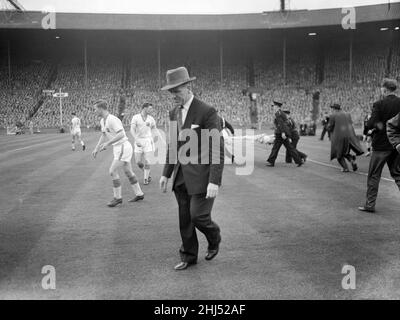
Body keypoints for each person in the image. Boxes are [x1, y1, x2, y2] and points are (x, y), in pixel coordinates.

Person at [159, 67, 224, 271]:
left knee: (198, 216)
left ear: (188, 87)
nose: (173, 96)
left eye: (176, 91)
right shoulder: (173, 113)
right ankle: (188, 255)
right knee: (185, 219)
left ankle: (214, 237)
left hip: (202, 176)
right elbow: (173, 145)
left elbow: (217, 147)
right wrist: (165, 173)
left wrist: (214, 180)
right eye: (171, 92)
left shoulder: (207, 111)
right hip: (180, 177)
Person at [92, 100, 144, 207]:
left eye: (95, 109)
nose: (94, 111)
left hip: (122, 146)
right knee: (128, 172)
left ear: (101, 109)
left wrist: (108, 143)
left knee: (112, 170)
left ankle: (118, 198)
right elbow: (104, 134)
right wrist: (96, 148)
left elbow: (121, 134)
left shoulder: (112, 119)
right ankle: (139, 194)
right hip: (119, 147)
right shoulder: (103, 120)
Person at [359, 78, 400, 213]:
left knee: (374, 175)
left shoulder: (379, 104)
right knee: (397, 174)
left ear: (384, 89)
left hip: (381, 145)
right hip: (396, 144)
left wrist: (377, 127)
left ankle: (370, 205)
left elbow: (371, 123)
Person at [326, 103, 364, 172]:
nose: (332, 110)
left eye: (332, 108)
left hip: (339, 137)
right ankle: (352, 160)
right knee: (345, 152)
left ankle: (345, 168)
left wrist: (327, 125)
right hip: (349, 136)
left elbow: (329, 127)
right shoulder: (347, 114)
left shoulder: (333, 115)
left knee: (338, 154)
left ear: (334, 109)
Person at [266, 101, 303, 167]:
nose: (272, 107)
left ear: (277, 106)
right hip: (282, 133)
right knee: (289, 148)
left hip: (281, 134)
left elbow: (281, 124)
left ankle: (271, 161)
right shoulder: (280, 113)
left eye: (273, 106)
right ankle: (299, 161)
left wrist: (283, 133)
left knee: (276, 148)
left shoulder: (279, 113)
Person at [130, 103, 157, 185]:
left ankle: (145, 179)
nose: (151, 110)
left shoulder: (151, 119)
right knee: (138, 162)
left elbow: (154, 129)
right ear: (144, 108)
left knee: (147, 161)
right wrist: (136, 139)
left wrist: (157, 139)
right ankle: (147, 173)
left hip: (148, 141)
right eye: (150, 108)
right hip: (138, 141)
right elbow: (132, 129)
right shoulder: (136, 117)